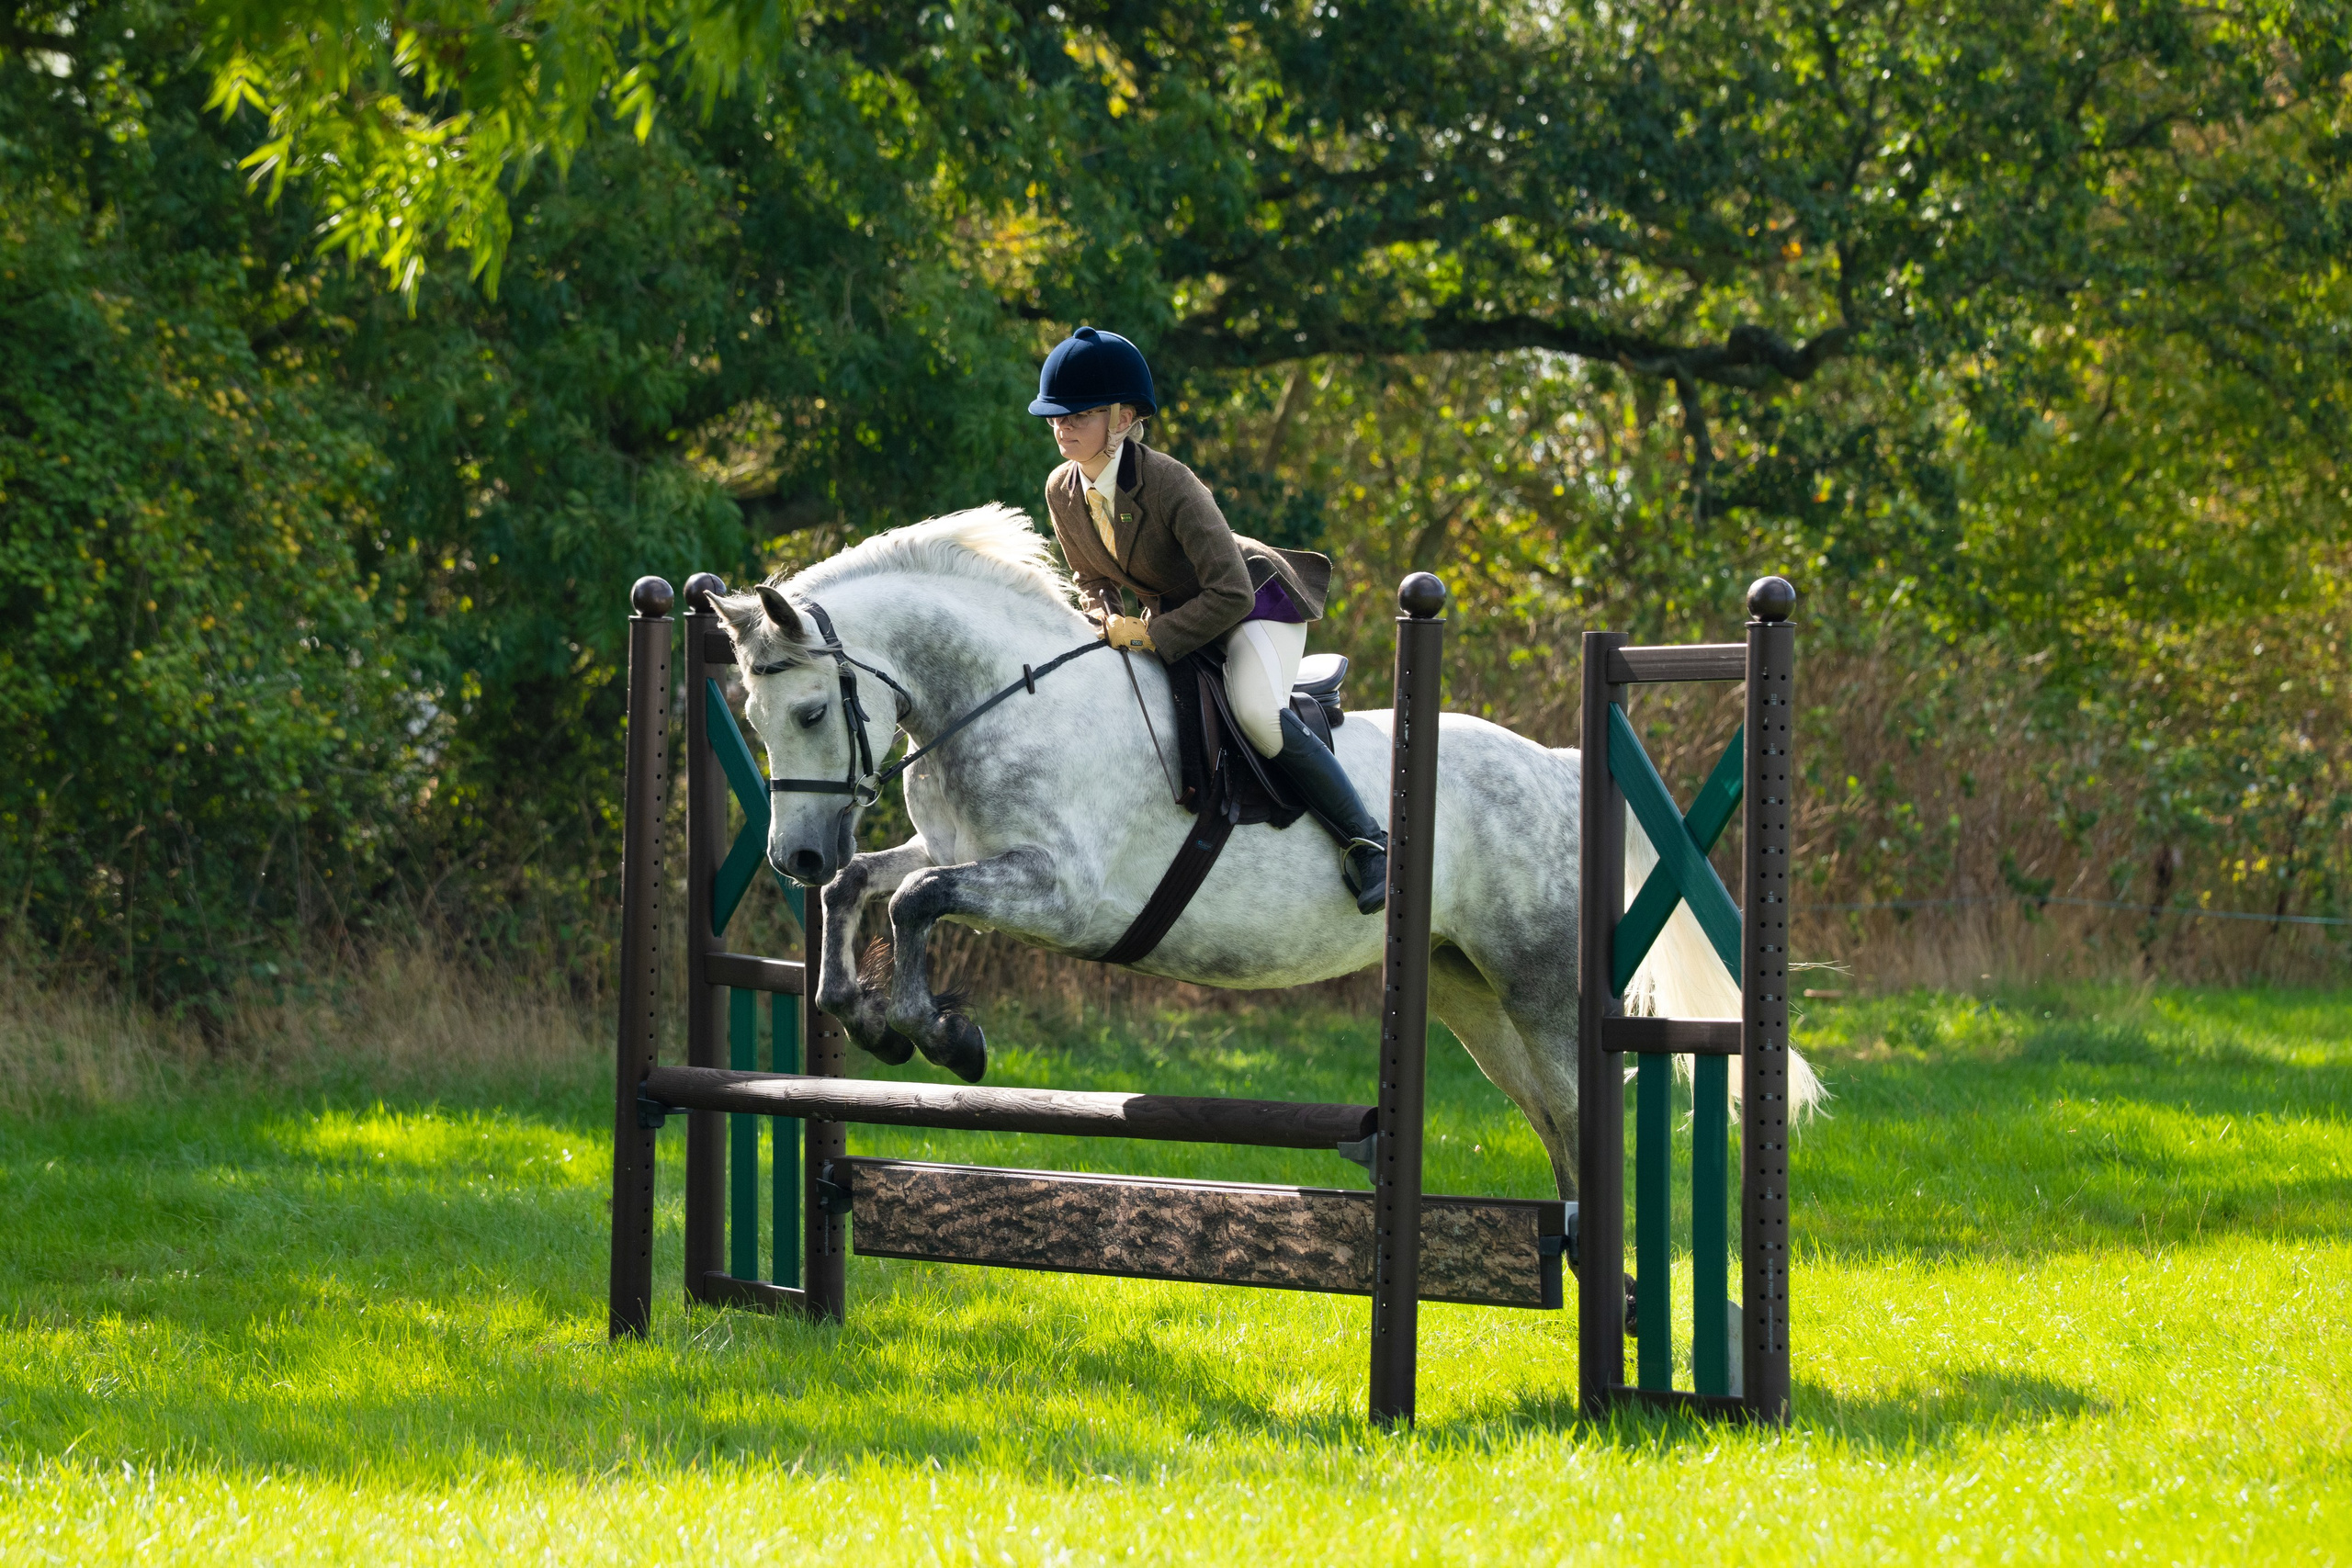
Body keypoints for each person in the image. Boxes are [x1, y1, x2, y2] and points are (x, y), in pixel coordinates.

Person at [1031, 325, 1389, 913]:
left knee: (1255, 712)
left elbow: (1230, 592)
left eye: (1081, 414)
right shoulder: (1062, 489)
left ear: (1122, 419)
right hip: (1182, 613)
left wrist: (1149, 633)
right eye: (1056, 416)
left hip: (1256, 603)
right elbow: (1090, 577)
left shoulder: (1168, 481)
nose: (1062, 426)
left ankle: (1371, 843)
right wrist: (1106, 620)